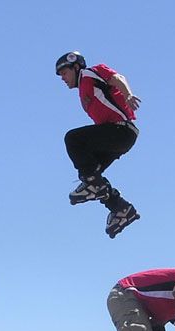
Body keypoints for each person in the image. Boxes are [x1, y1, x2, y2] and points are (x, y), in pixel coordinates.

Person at [55, 51, 141, 238]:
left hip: (121, 131)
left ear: (76, 66)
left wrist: (128, 94)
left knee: (73, 139)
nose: (62, 78)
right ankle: (121, 209)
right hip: (116, 136)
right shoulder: (83, 91)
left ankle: (95, 185)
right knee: (91, 176)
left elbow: (117, 77)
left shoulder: (89, 73)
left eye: (64, 73)